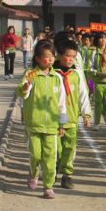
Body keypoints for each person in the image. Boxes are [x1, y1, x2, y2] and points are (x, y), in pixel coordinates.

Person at [16, 41, 67, 199]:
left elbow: (61, 102)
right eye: (46, 57)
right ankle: (33, 172)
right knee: (36, 155)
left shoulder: (57, 77)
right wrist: (25, 88)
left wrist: (62, 123)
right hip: (34, 124)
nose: (50, 60)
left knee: (50, 157)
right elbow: (21, 92)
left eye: (52, 57)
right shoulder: (30, 74)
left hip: (52, 125)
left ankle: (48, 187)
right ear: (37, 58)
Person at [53, 39, 91, 189]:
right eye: (68, 56)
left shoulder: (76, 74)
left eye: (74, 56)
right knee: (56, 148)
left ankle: (67, 175)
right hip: (54, 120)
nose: (71, 59)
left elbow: (83, 94)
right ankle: (53, 168)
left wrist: (86, 113)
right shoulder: (52, 73)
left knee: (70, 148)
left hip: (72, 118)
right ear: (59, 55)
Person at [89, 33, 106, 129]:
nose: (103, 40)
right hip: (98, 81)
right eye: (100, 38)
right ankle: (97, 123)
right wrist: (97, 72)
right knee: (98, 103)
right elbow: (90, 67)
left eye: (104, 38)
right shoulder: (94, 52)